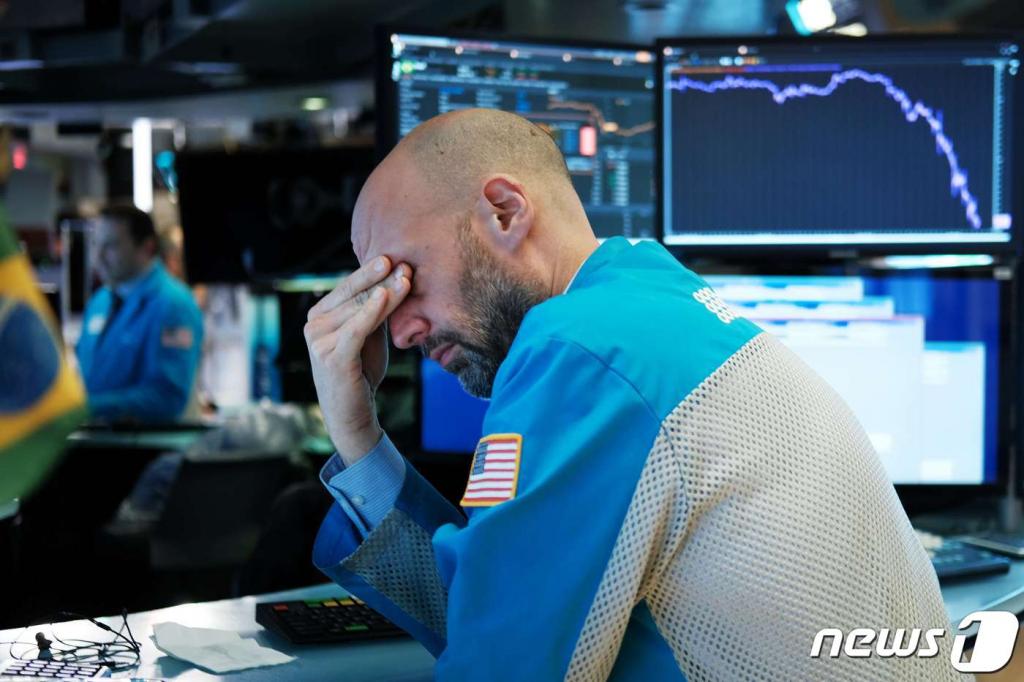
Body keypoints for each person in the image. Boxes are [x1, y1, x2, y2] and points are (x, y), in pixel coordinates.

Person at [305, 109, 957, 680]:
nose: (399, 332)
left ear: (504, 211)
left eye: (406, 279)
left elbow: (494, 668)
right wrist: (358, 434)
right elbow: (494, 612)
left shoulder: (582, 352)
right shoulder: (653, 296)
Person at [76, 204, 202, 423]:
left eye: (111, 245)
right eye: (96, 243)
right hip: (96, 437)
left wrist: (86, 408)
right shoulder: (100, 301)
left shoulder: (173, 304)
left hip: (146, 441)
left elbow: (166, 398)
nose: (98, 256)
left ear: (147, 247)